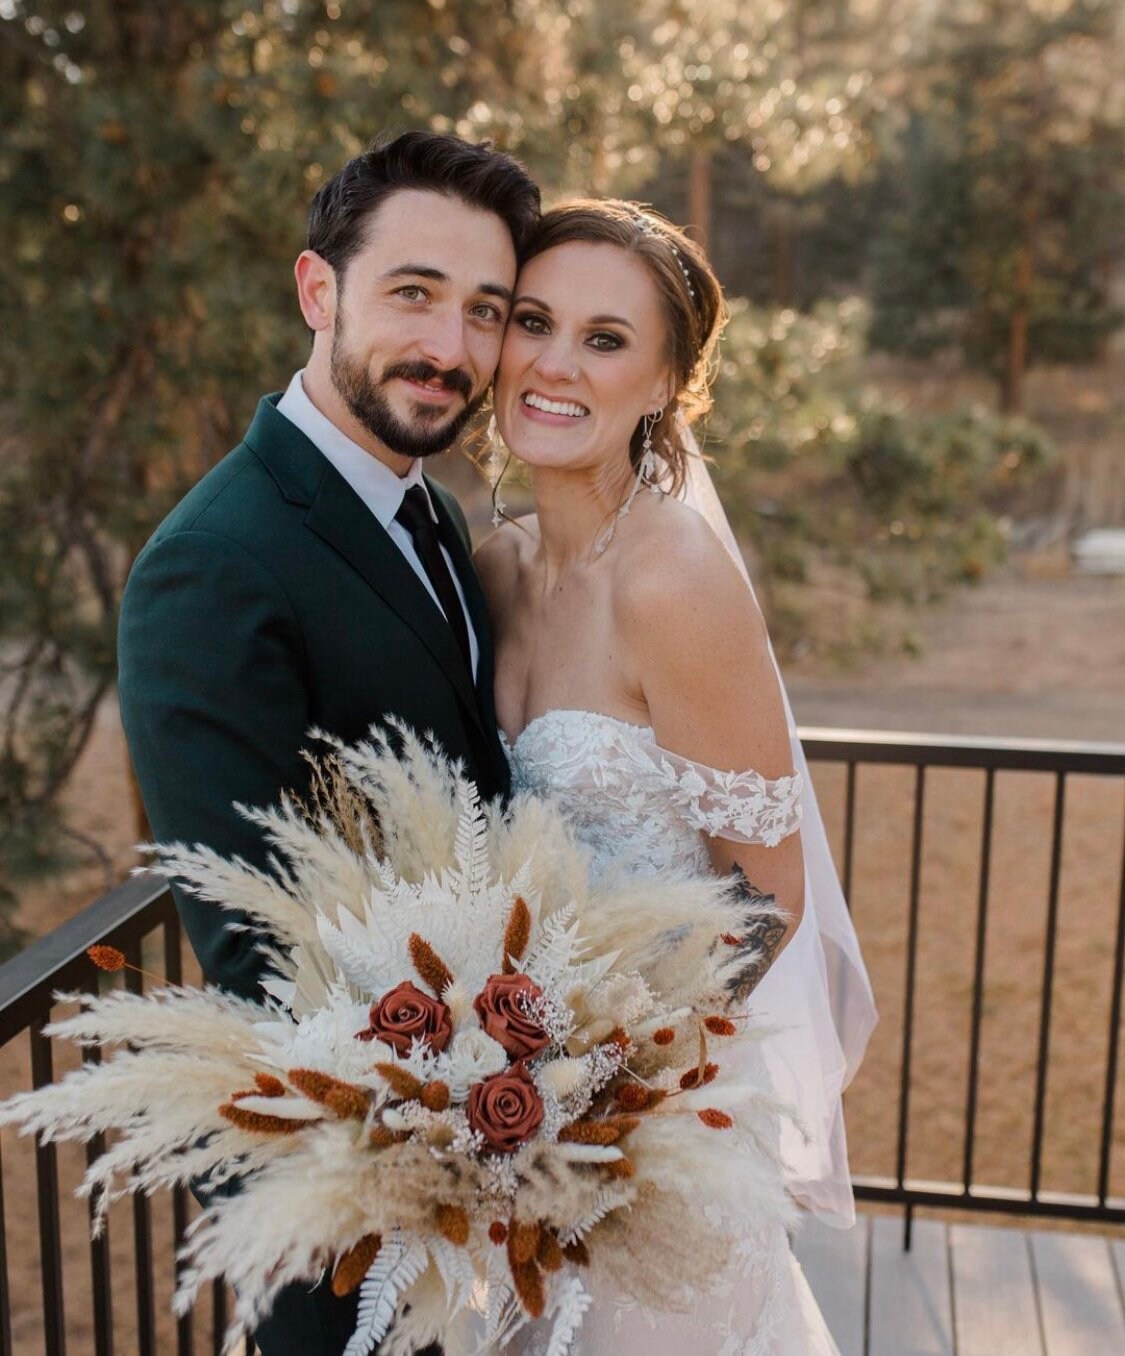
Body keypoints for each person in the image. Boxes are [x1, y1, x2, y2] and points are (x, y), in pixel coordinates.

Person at [117, 131, 540, 1356]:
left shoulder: (433, 508)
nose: (451, 350)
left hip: (505, 1164)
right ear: (320, 291)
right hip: (350, 1214)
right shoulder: (211, 564)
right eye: (413, 293)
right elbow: (259, 941)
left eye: (487, 311)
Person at [474, 200, 877, 1354]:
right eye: (534, 321)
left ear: (663, 386)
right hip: (505, 1117)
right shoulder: (497, 565)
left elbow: (770, 897)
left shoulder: (672, 578)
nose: (554, 363)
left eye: (605, 340)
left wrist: (606, 1080)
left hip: (651, 1129)